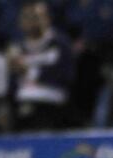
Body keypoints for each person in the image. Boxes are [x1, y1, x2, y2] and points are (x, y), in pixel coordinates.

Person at [8, 0, 75, 129]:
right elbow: (11, 83)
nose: (32, 22)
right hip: (20, 100)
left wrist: (29, 72)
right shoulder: (16, 47)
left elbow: (66, 75)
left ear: (47, 18)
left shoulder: (60, 44)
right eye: (27, 17)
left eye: (36, 17)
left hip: (51, 100)